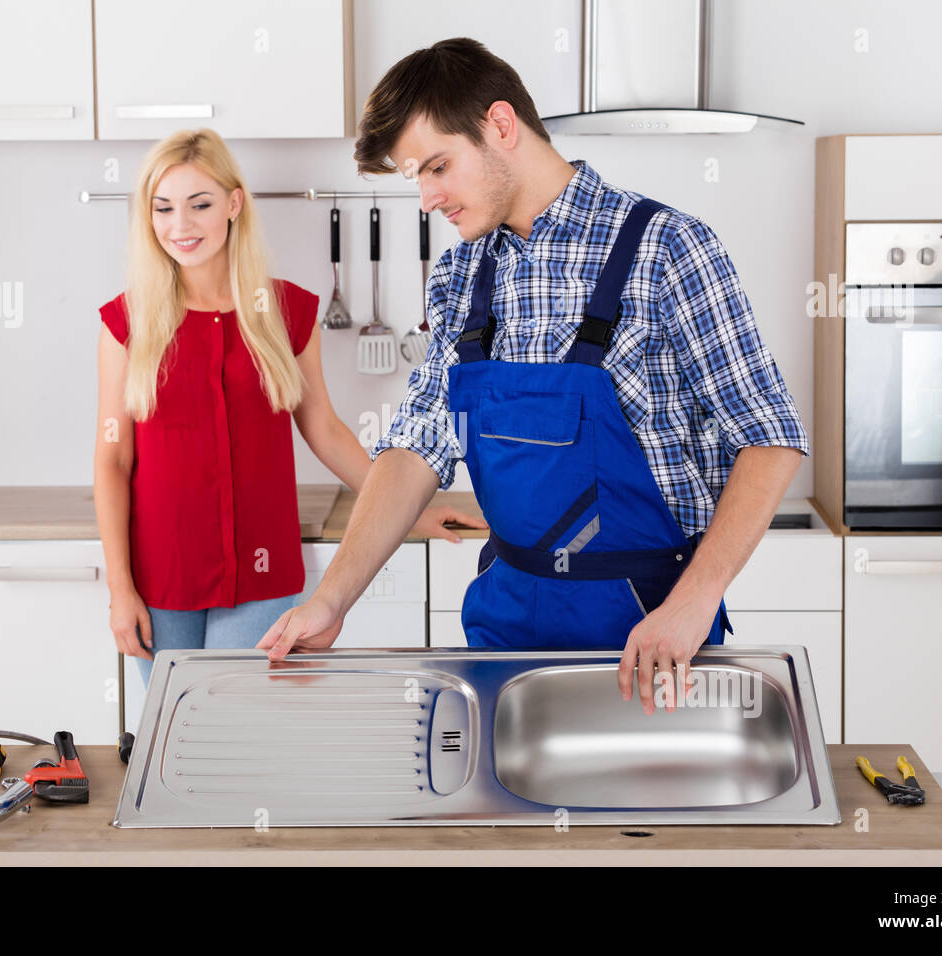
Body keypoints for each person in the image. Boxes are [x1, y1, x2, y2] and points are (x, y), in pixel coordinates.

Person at [257, 39, 809, 715]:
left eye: (438, 166)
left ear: (500, 125)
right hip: (504, 626)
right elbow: (417, 444)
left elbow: (770, 435)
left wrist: (694, 604)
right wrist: (329, 599)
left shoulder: (667, 248)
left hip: (649, 634)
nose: (428, 198)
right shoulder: (461, 275)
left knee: (653, 822)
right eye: (416, 178)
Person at [93, 128, 484, 687]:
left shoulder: (286, 312)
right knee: (173, 739)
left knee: (234, 730)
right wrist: (120, 588)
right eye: (164, 208)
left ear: (233, 204)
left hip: (262, 571)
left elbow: (323, 428)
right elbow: (112, 460)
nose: (180, 225)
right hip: (160, 571)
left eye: (199, 204)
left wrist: (405, 509)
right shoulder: (125, 323)